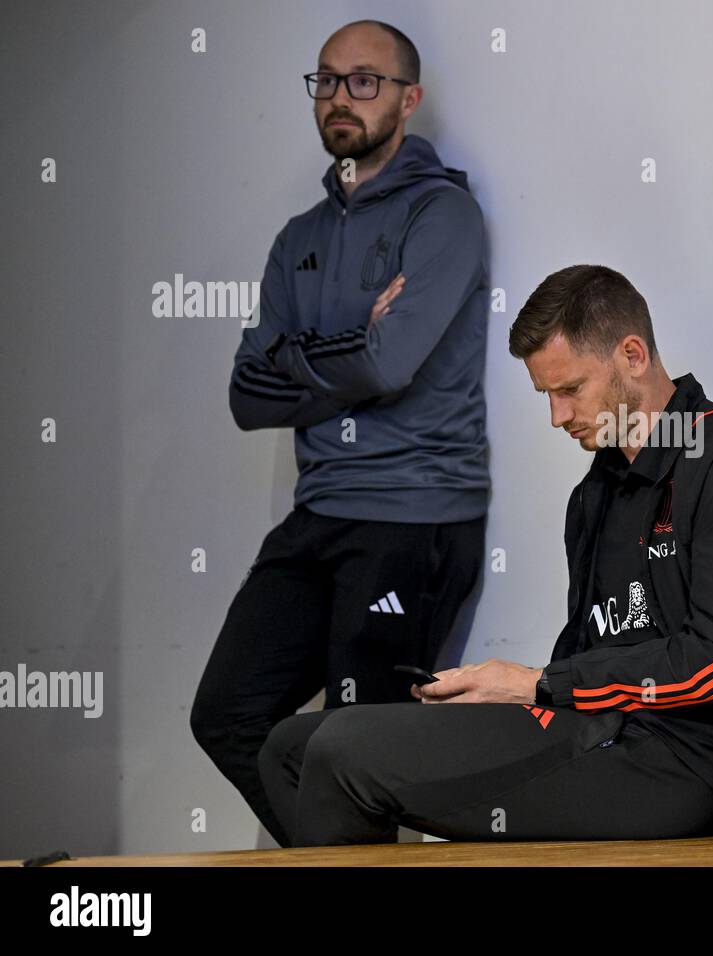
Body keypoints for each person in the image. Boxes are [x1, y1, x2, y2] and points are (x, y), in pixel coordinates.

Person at [257, 265, 713, 845]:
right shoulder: (594, 495)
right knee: (289, 748)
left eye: (570, 389)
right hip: (597, 731)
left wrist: (536, 684)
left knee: (343, 750)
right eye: (545, 395)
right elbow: (588, 653)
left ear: (632, 355)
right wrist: (495, 697)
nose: (557, 416)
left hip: (689, 764)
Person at [191, 20, 490, 847]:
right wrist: (356, 340)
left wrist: (305, 359)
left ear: (409, 98)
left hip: (415, 515)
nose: (340, 98)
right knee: (227, 714)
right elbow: (248, 396)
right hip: (320, 512)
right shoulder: (300, 240)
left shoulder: (445, 216)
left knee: (358, 743)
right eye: (326, 81)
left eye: (365, 81)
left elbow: (392, 366)